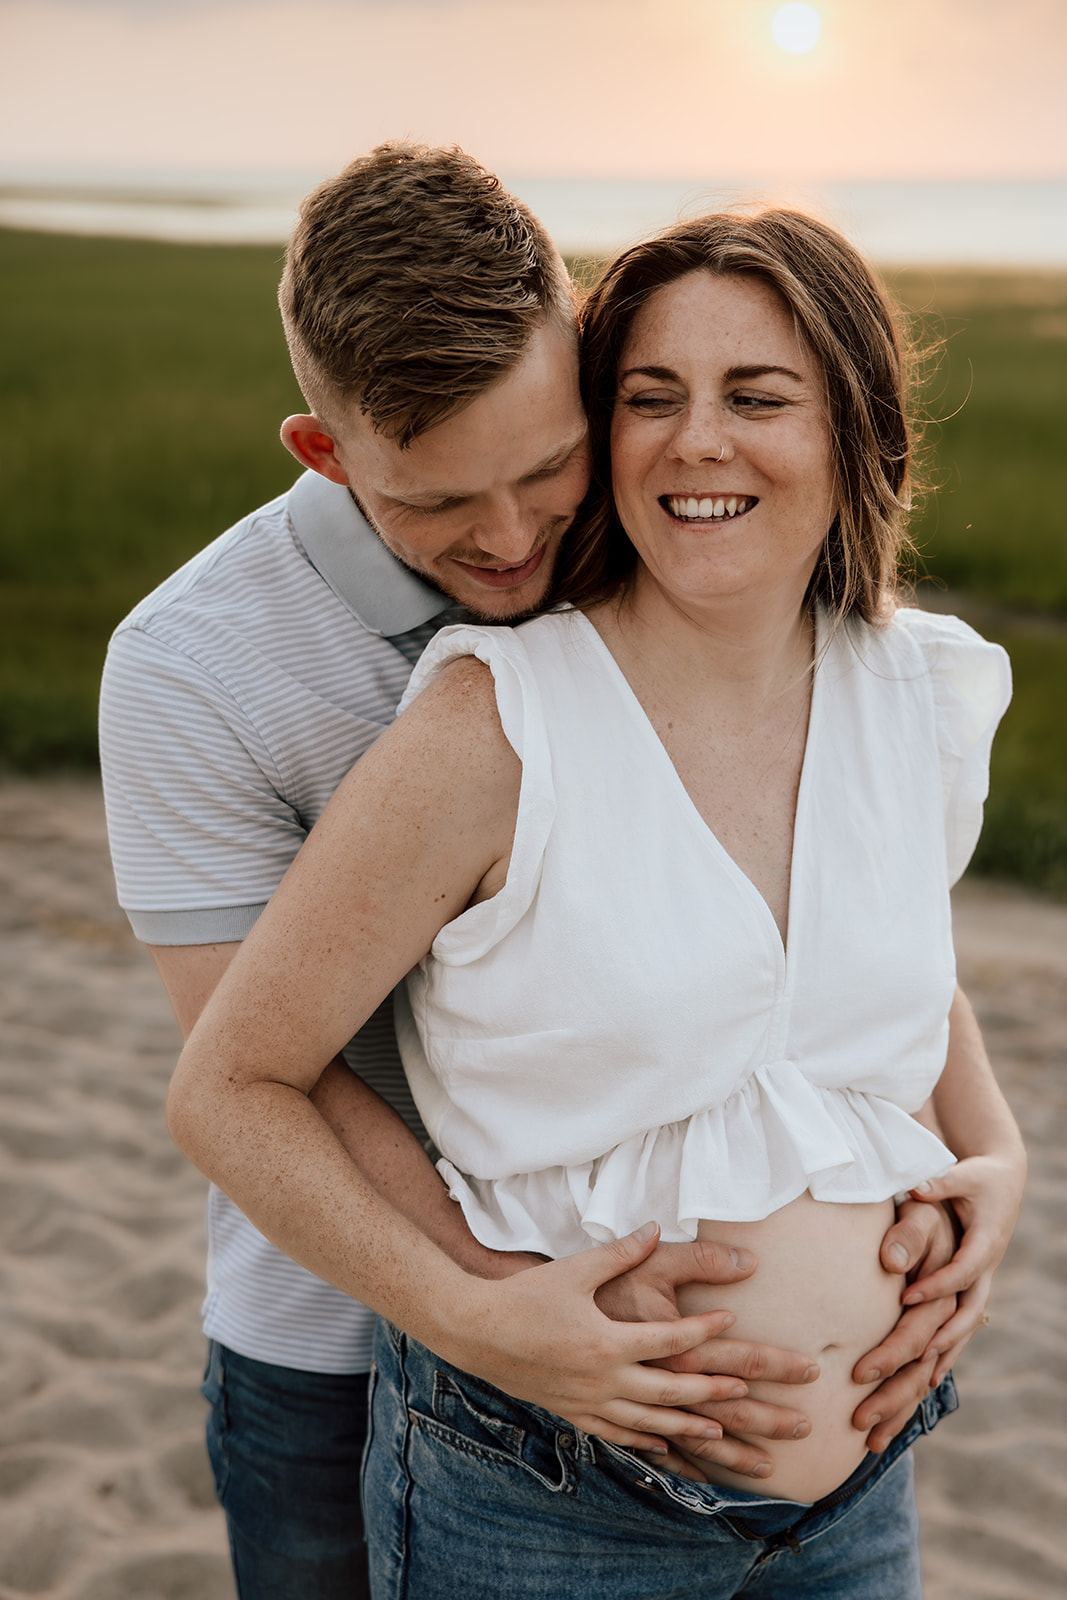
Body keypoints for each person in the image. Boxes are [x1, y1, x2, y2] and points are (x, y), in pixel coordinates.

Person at [101, 146, 949, 1597]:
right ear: (324, 453)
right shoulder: (193, 669)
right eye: (435, 504)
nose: (508, 543)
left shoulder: (627, 538)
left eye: (544, 467)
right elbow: (269, 1068)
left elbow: (801, 890)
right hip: (336, 1325)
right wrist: (498, 1315)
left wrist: (969, 1150)